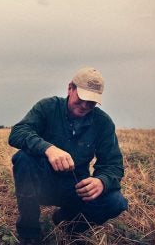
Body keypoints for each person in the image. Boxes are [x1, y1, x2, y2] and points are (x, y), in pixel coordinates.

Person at [8, 68, 128, 244]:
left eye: (92, 102)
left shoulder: (103, 122)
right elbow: (18, 132)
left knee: (116, 202)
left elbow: (113, 165)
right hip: (42, 183)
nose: (85, 106)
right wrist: (48, 149)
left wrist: (101, 181)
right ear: (70, 88)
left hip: (75, 187)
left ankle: (68, 224)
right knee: (22, 158)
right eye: (82, 99)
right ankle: (29, 233)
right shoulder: (48, 107)